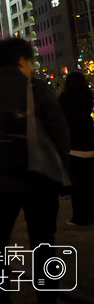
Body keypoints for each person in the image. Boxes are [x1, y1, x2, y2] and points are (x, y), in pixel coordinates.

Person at [0, 37, 70, 304]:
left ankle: (0, 299)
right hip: (40, 180)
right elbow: (60, 132)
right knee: (44, 244)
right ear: (22, 60)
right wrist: (61, 169)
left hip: (0, 181)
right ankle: (46, 300)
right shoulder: (37, 88)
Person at [58, 71, 93, 227]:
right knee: (90, 184)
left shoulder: (64, 99)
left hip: (74, 146)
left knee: (77, 186)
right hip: (90, 143)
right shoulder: (88, 97)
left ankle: (80, 218)